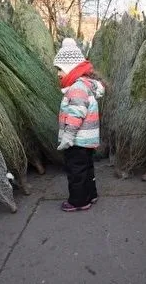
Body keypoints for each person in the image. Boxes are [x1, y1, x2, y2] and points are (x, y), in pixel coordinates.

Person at [53, 38, 105, 212]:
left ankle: (78, 201)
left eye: (60, 69)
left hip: (77, 140)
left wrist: (68, 136)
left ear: (70, 68)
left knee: (76, 171)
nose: (58, 74)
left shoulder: (77, 88)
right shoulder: (84, 86)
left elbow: (76, 115)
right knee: (86, 169)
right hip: (86, 140)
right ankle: (91, 194)